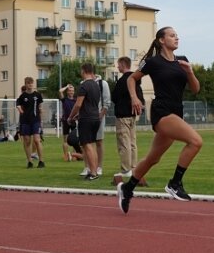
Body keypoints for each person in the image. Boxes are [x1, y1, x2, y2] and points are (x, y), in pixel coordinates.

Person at [117, 27, 203, 214]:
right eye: (172, 35)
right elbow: (132, 79)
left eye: (177, 35)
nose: (176, 37)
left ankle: (127, 188)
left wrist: (190, 72)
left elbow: (196, 89)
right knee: (196, 141)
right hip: (161, 112)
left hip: (176, 112)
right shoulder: (152, 62)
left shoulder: (183, 61)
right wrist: (134, 97)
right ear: (162, 40)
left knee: (152, 159)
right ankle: (175, 183)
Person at [68, 63, 104, 180]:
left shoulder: (84, 86)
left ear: (84, 71)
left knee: (87, 146)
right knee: (91, 145)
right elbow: (91, 103)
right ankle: (94, 171)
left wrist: (71, 116)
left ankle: (93, 173)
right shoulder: (96, 85)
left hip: (86, 119)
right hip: (95, 118)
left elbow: (78, 104)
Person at [113, 56, 145, 178]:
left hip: (122, 115)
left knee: (124, 143)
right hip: (132, 115)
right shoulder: (135, 80)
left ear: (123, 64)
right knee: (132, 142)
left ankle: (126, 170)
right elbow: (140, 96)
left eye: (119, 64)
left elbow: (114, 97)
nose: (118, 67)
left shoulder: (123, 81)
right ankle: (133, 167)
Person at [16, 76, 45, 168]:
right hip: (25, 121)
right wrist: (20, 110)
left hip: (35, 120)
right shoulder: (22, 96)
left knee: (37, 140)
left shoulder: (38, 95)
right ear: (25, 84)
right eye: (28, 83)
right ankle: (30, 161)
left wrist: (41, 120)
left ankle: (41, 161)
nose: (30, 85)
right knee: (27, 141)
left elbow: (40, 108)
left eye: (31, 83)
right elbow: (18, 105)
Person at [59, 83, 79, 161]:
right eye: (70, 91)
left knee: (75, 140)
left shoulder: (76, 100)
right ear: (67, 92)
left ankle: (74, 155)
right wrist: (67, 86)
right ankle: (66, 155)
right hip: (66, 121)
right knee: (65, 139)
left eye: (72, 91)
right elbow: (60, 91)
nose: (71, 92)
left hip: (74, 121)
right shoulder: (64, 100)